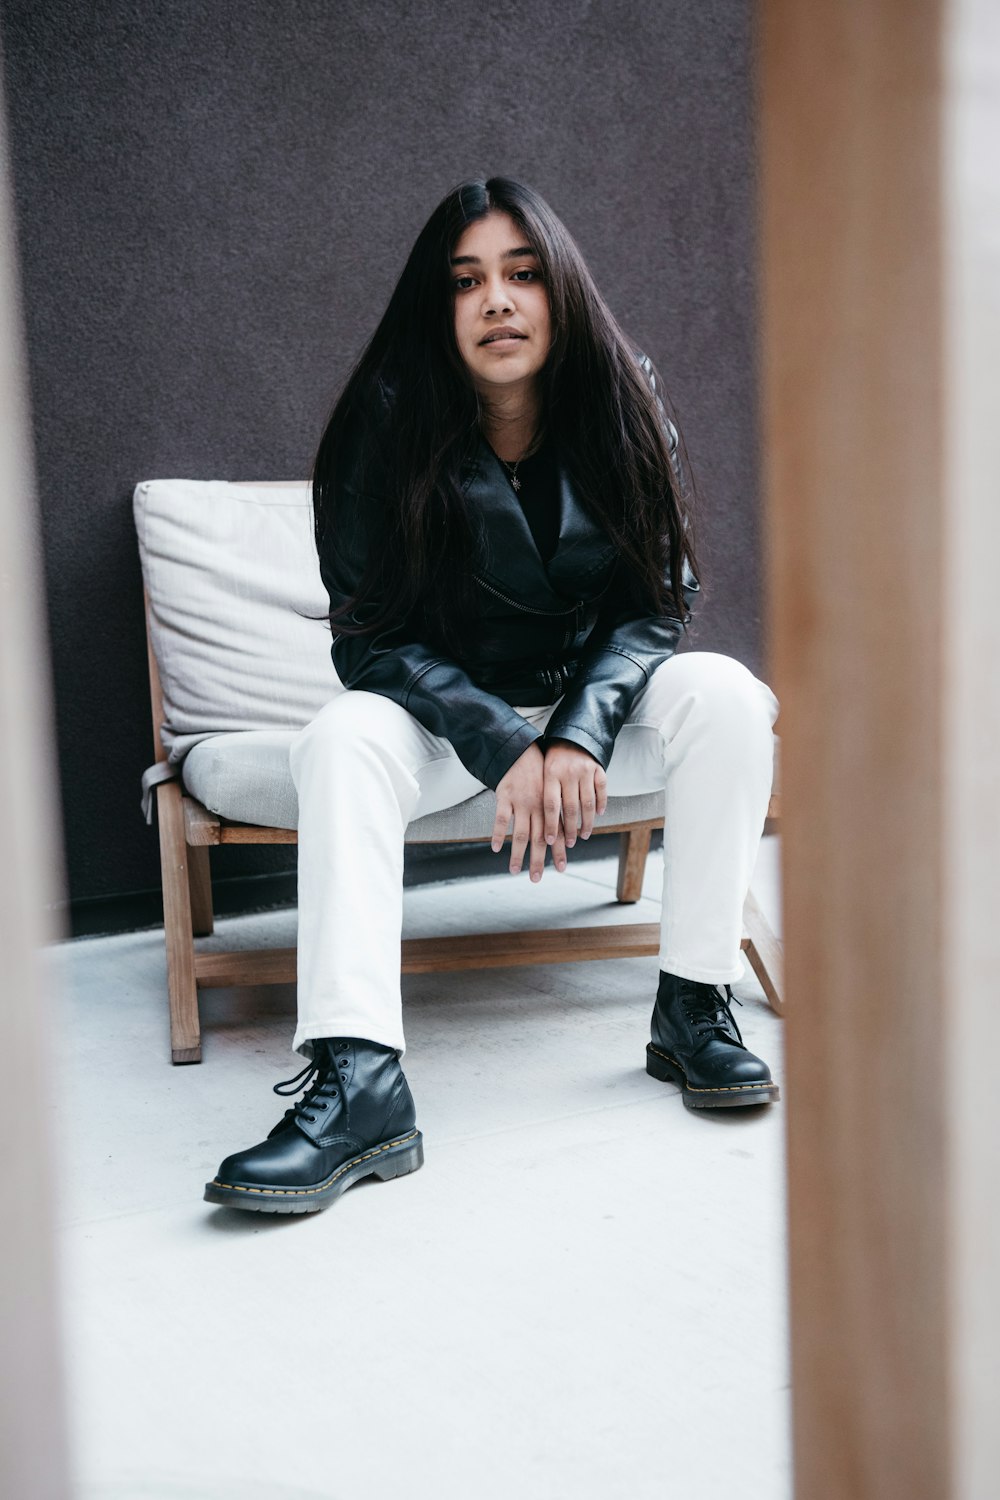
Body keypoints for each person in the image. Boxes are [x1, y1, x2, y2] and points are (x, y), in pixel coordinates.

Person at [204, 177, 780, 1215]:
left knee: (730, 696)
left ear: (558, 290)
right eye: (466, 282)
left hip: (588, 709)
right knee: (338, 740)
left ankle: (694, 1006)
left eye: (520, 274)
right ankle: (360, 1083)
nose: (497, 301)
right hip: (440, 720)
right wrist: (502, 746)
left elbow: (660, 601)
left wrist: (575, 737)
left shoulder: (621, 397)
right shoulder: (381, 421)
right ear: (439, 308)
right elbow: (369, 637)